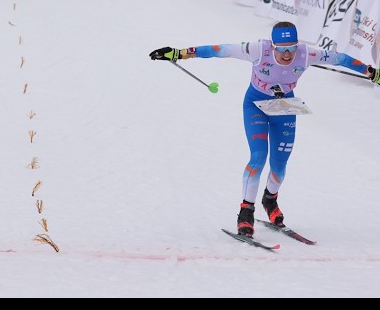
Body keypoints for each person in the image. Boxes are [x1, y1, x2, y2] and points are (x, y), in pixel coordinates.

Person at [148, 21, 358, 237]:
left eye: (291, 48)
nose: (287, 54)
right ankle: (246, 211)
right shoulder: (258, 49)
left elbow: (342, 59)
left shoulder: (307, 54)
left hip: (284, 107)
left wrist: (373, 73)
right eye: (281, 49)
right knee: (258, 156)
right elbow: (218, 50)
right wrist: (178, 53)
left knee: (279, 164)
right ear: (273, 46)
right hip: (255, 105)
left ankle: (270, 200)